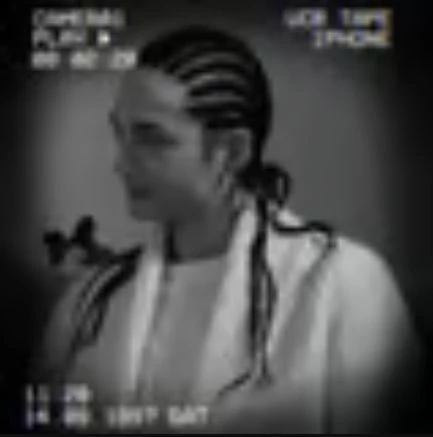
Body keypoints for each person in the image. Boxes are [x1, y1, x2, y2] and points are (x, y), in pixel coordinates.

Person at [33, 26, 424, 433]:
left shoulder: (344, 285)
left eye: (151, 138)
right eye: (121, 135)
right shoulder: (88, 304)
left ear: (233, 151)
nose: (121, 163)